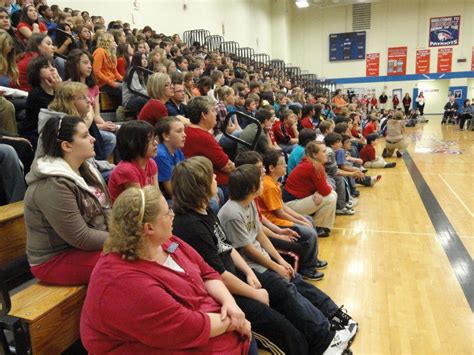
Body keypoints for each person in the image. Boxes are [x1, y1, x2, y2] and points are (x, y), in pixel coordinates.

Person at [80, 186, 252, 354]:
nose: (173, 215)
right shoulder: (124, 281)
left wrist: (231, 304)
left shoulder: (167, 242)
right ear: (149, 228)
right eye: (167, 213)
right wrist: (235, 321)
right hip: (180, 338)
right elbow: (186, 327)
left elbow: (207, 273)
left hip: (211, 324)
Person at [171, 156, 308, 355]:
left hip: (236, 276)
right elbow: (216, 275)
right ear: (200, 187)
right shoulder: (191, 226)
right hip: (223, 293)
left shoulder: (205, 210)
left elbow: (227, 247)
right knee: (283, 331)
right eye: (212, 177)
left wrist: (248, 272)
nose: (217, 179)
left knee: (284, 293)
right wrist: (255, 293)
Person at [218, 164, 357, 355]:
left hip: (261, 262)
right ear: (251, 188)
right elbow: (248, 249)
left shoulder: (249, 202)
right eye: (259, 180)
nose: (263, 181)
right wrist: (275, 266)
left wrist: (280, 261)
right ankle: (324, 338)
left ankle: (331, 319)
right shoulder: (231, 213)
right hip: (249, 269)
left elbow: (259, 234)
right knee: (287, 289)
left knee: (295, 279)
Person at [24, 115, 110, 285]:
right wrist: (123, 239)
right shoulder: (53, 184)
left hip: (86, 247)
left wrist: (129, 235)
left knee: (155, 245)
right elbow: (80, 237)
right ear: (66, 145)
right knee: (128, 264)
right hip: (55, 259)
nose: (93, 139)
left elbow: (107, 209)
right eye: (85, 136)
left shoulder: (85, 169)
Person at [259, 149, 326, 280]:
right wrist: (301, 222)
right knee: (309, 233)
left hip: (277, 218)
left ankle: (313, 259)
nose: (285, 166)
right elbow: (280, 213)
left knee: (309, 220)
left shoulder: (273, 182)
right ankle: (307, 268)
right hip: (274, 222)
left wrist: (301, 218)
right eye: (282, 163)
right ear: (272, 168)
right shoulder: (269, 185)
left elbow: (282, 205)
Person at [66, 49, 117, 158]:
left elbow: (96, 115)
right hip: (80, 126)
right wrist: (102, 127)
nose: (89, 66)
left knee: (117, 133)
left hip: (93, 125)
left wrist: (106, 125)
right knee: (110, 138)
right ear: (75, 65)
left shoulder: (94, 87)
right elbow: (75, 119)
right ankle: (98, 163)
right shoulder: (68, 87)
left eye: (90, 63)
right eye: (85, 63)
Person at [183, 96, 235, 200]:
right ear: (204, 115)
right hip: (214, 183)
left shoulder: (189, 130)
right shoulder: (202, 137)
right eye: (213, 110)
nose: (216, 114)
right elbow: (228, 166)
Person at [282, 141, 338, 233]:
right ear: (314, 154)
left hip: (293, 202)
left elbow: (322, 187)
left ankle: (321, 226)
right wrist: (320, 191)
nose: (327, 154)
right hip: (291, 205)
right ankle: (317, 227)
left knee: (332, 194)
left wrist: (318, 191)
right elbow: (325, 190)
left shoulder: (310, 162)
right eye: (323, 152)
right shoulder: (314, 166)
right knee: (330, 197)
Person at [108, 120, 158, 202]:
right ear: (135, 144)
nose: (156, 143)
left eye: (155, 139)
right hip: (130, 212)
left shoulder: (151, 163)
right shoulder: (126, 170)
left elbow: (157, 194)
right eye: (150, 140)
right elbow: (140, 203)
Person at [23, 54, 61, 146]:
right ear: (37, 73)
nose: (52, 69)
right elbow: (58, 115)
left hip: (54, 132)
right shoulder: (36, 94)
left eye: (53, 66)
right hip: (37, 135)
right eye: (46, 67)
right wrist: (59, 89)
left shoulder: (56, 90)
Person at [154, 116, 185, 202]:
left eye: (184, 131)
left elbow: (185, 175)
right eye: (179, 131)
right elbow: (170, 191)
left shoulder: (177, 150)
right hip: (166, 198)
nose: (184, 135)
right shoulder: (160, 155)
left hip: (178, 190)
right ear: (166, 136)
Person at [92, 32, 122, 102]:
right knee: (122, 90)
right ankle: (123, 110)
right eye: (113, 41)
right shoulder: (100, 51)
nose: (115, 43)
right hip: (102, 83)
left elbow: (115, 71)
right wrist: (112, 83)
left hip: (110, 81)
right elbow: (96, 71)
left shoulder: (109, 54)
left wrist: (124, 81)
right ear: (107, 42)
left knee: (127, 88)